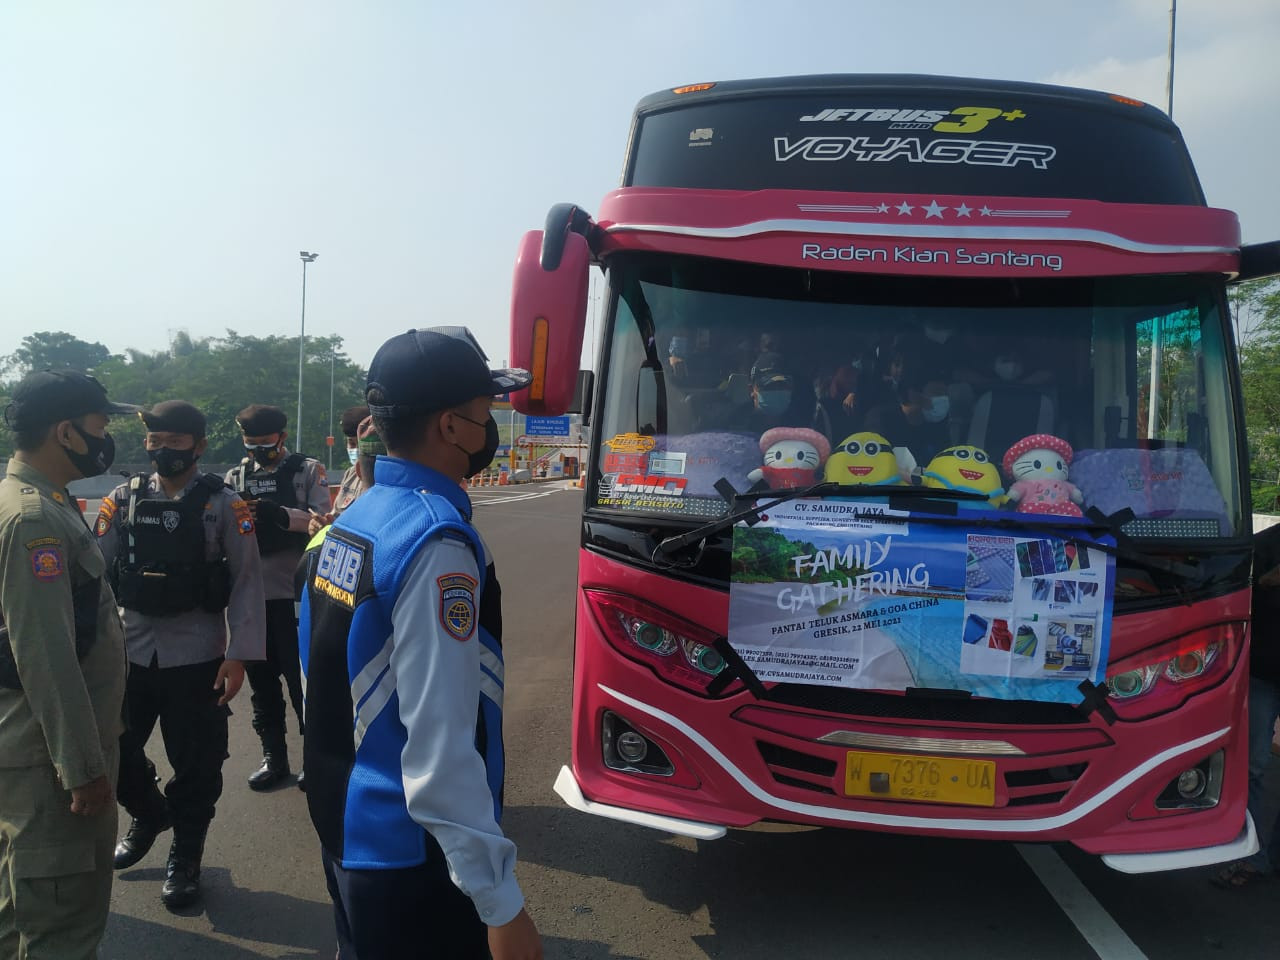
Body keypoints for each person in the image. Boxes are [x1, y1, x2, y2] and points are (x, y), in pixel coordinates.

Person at [300, 326, 542, 959]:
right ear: (452, 426)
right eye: (485, 411)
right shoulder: (436, 544)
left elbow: (316, 674)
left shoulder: (351, 521)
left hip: (346, 827)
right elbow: (440, 746)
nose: (491, 426)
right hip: (412, 855)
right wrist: (499, 901)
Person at [95, 400, 266, 907]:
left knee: (197, 764)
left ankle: (186, 856)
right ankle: (148, 812)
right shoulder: (121, 499)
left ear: (199, 445)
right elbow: (95, 572)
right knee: (117, 752)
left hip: (199, 658)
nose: (162, 450)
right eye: (155, 441)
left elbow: (247, 582)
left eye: (174, 441)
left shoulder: (225, 505)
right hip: (129, 653)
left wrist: (239, 654)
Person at [0, 370, 132, 958]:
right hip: (49, 764)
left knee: (19, 914)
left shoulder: (37, 502)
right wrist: (83, 767)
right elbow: (46, 656)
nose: (106, 438)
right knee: (61, 929)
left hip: (29, 751)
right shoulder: (35, 521)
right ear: (66, 432)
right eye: (100, 425)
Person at [226, 404, 330, 791]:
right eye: (250, 443)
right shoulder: (236, 475)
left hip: (296, 594)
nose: (257, 451)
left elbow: (323, 520)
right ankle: (274, 757)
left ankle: (314, 758)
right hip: (254, 598)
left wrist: (278, 513)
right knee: (262, 685)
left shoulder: (307, 470)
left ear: (282, 438)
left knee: (301, 681)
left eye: (264, 443)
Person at [1213, 521, 1280, 888]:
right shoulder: (1263, 545)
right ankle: (1252, 857)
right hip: (1263, 671)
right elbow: (1236, 596)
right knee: (1252, 765)